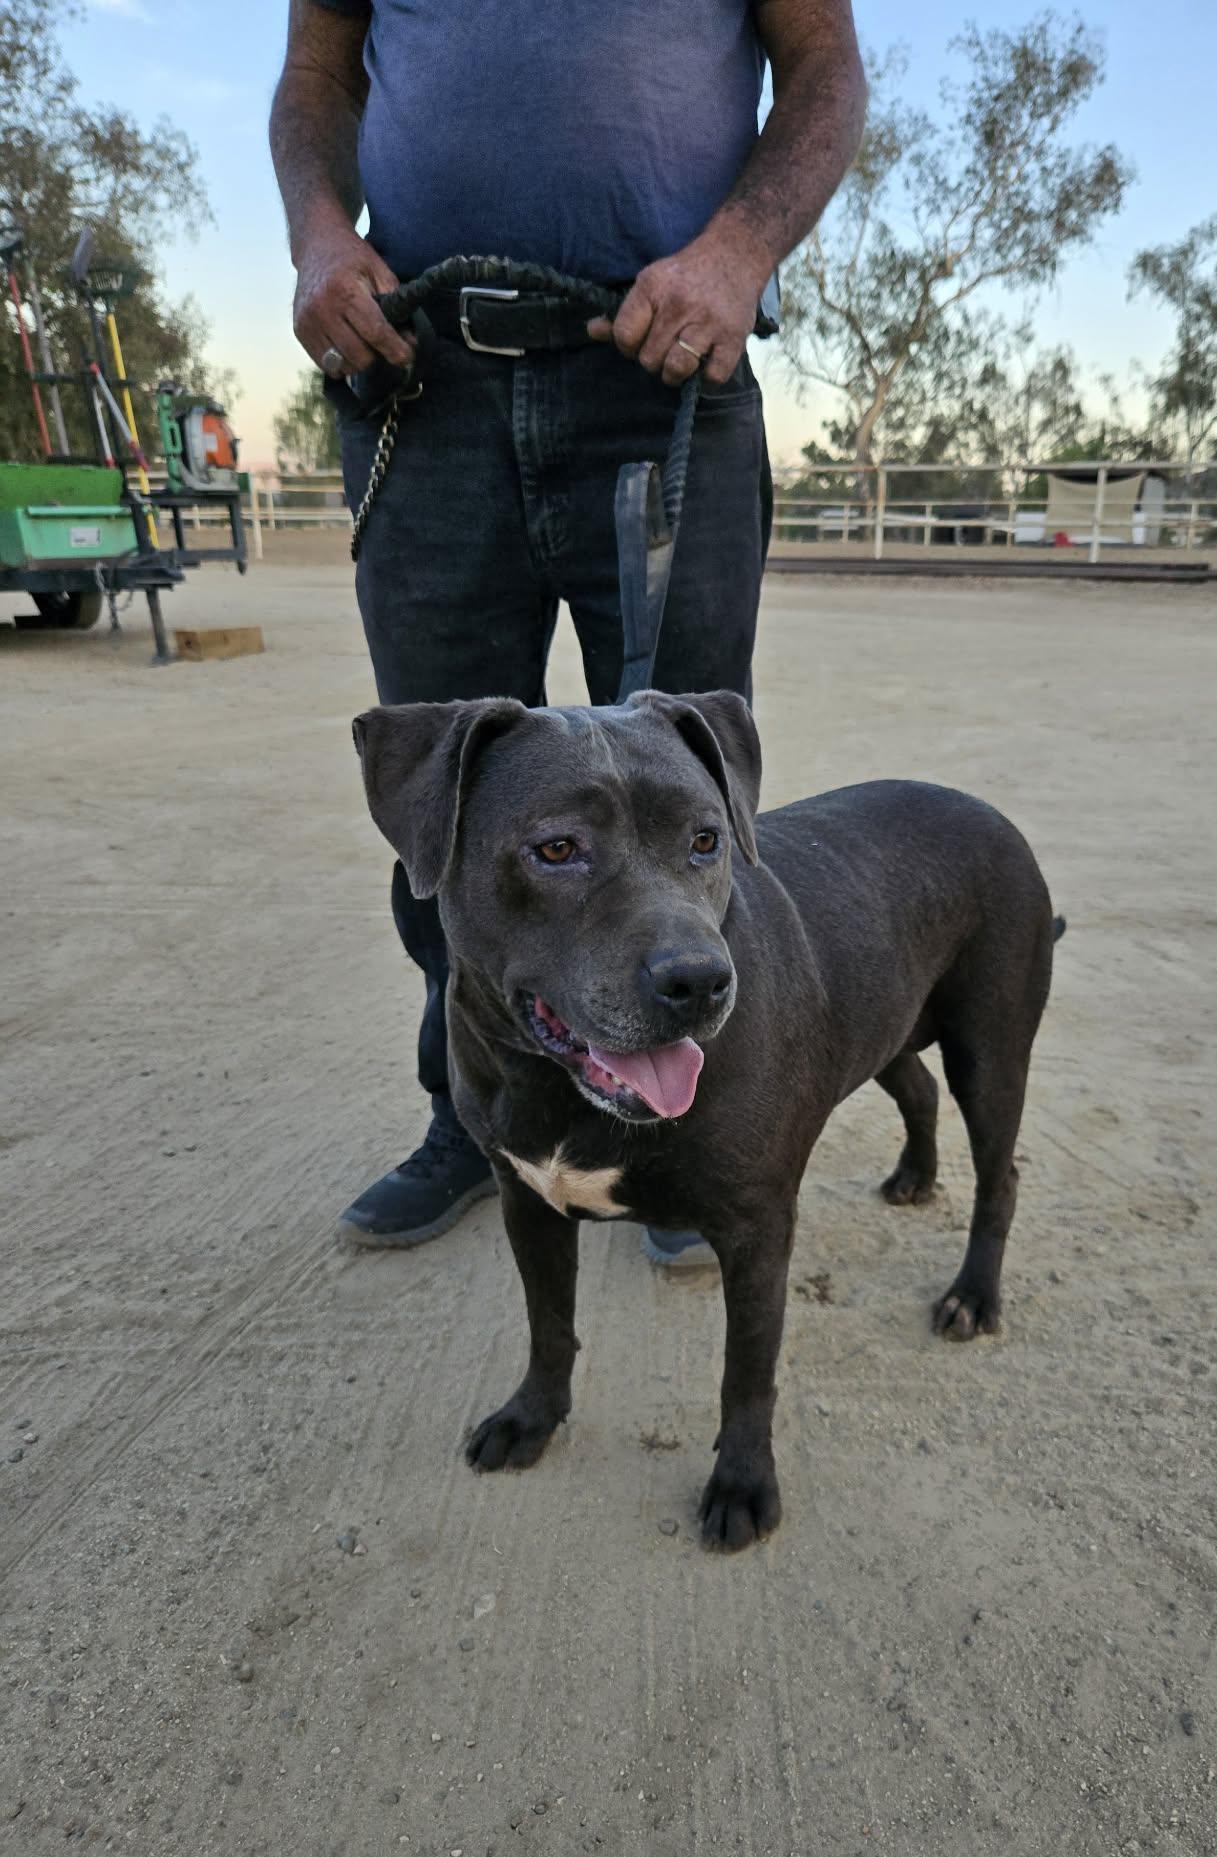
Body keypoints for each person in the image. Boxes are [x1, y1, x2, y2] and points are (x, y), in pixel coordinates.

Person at [270, 1, 866, 1253]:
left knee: (684, 810)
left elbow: (823, 62)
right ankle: (475, 1111)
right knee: (445, 821)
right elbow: (318, 69)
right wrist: (319, 235)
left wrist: (739, 253)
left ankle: (690, 1136)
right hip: (421, 376)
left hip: (664, 364)